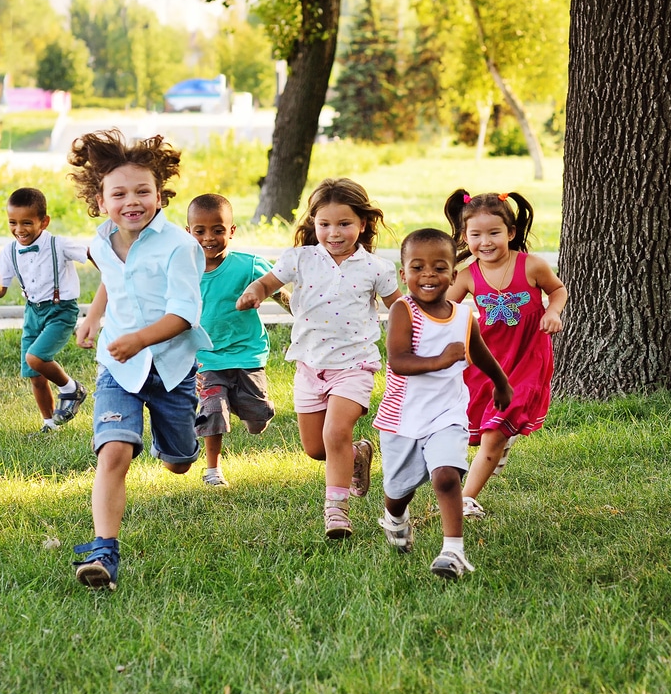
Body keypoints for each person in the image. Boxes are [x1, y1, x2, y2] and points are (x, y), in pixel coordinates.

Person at [68, 130, 211, 591]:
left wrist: (138, 339)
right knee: (113, 454)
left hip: (170, 367)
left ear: (160, 194)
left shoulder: (179, 246)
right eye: (120, 193)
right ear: (100, 198)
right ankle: (104, 550)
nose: (132, 201)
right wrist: (94, 317)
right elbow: (114, 278)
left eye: (143, 191)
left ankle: (176, 444)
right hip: (118, 368)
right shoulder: (102, 239)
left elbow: (185, 315)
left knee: (180, 462)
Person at [237, 178, 401, 539]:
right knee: (316, 449)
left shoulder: (376, 268)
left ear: (363, 223)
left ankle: (336, 513)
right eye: (325, 224)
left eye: (344, 224)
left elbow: (401, 309)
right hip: (310, 366)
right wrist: (254, 291)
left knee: (335, 431)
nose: (334, 232)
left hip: (355, 366)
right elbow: (268, 283)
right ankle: (356, 455)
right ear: (313, 223)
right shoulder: (300, 259)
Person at [374, 229, 512, 579]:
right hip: (402, 418)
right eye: (417, 267)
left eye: (439, 267)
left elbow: (479, 352)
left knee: (447, 477)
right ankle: (394, 517)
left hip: (447, 413)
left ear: (454, 274)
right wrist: (439, 360)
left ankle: (453, 552)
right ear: (403, 274)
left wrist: (501, 383)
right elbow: (399, 361)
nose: (428, 275)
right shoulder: (404, 311)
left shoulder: (464, 316)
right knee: (398, 490)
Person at [443, 190, 567, 519]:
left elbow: (558, 290)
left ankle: (465, 498)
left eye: (494, 233)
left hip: (527, 359)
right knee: (476, 426)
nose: (486, 241)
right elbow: (444, 309)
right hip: (487, 360)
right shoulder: (468, 275)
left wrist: (553, 312)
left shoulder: (531, 266)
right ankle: (497, 444)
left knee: (494, 431)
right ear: (465, 236)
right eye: (476, 234)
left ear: (510, 233)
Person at [186, 193, 277, 487]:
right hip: (207, 358)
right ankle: (213, 470)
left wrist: (301, 315)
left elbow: (279, 289)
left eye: (218, 230)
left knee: (256, 421)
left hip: (246, 354)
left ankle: (258, 409)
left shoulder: (248, 266)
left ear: (232, 231)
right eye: (200, 231)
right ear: (189, 232)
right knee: (212, 410)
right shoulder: (183, 272)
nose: (208, 238)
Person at [0, 188, 89, 433]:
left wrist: (112, 274)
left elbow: (90, 253)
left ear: (44, 221)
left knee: (36, 357)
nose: (19, 229)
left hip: (60, 311)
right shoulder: (10, 251)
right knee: (35, 374)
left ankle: (71, 389)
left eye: (27, 223)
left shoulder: (58, 244)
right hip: (32, 313)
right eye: (13, 222)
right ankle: (49, 424)